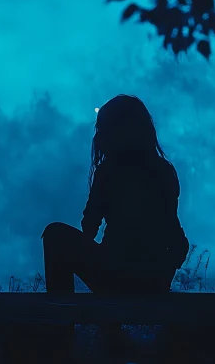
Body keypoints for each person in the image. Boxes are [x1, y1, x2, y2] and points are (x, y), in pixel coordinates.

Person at [42, 94, 190, 296]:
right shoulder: (163, 170)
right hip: (155, 279)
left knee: (55, 235)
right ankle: (109, 325)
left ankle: (61, 321)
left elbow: (89, 225)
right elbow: (175, 235)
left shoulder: (109, 170)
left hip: (116, 276)